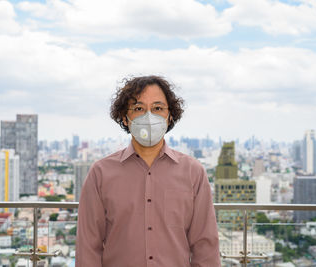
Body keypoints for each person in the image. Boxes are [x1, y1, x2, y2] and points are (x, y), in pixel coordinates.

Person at [75, 75, 221, 267]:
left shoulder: (193, 172)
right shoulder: (101, 173)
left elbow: (205, 245)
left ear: (170, 116)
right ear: (124, 118)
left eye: (158, 108)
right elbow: (88, 247)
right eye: (138, 109)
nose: (149, 116)